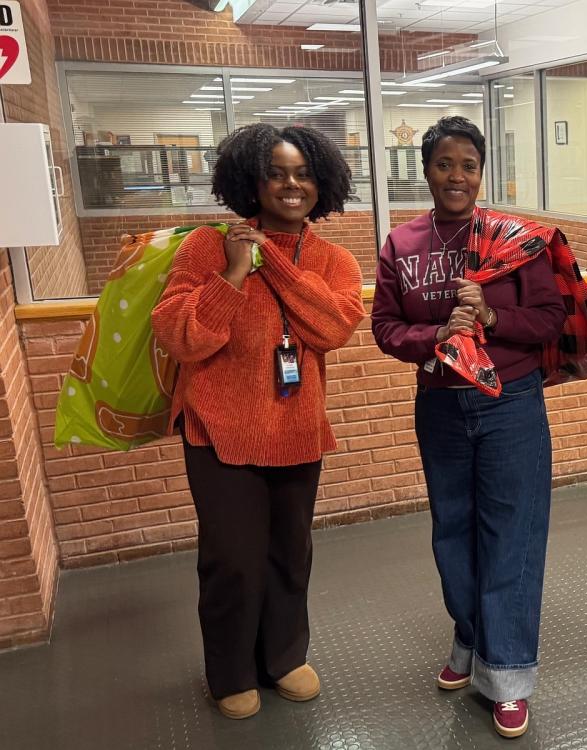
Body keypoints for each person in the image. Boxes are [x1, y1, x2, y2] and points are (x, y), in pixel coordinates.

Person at [151, 123, 365, 719]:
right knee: (233, 561)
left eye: (303, 174)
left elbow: (333, 328)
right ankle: (230, 673)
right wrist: (234, 272)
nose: (291, 185)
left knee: (290, 554)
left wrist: (271, 262)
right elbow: (180, 336)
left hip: (297, 431)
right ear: (251, 180)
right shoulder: (207, 247)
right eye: (276, 173)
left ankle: (283, 657)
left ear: (322, 184)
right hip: (219, 431)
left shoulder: (334, 260)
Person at [370, 116, 566, 739]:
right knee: (452, 533)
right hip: (441, 404)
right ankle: (471, 640)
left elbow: (550, 319)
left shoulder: (515, 239)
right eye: (444, 164)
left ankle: (506, 673)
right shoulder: (401, 245)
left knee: (512, 534)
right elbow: (385, 328)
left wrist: (493, 318)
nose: (456, 176)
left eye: (469, 166)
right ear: (426, 170)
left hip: (510, 402)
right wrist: (437, 334)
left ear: (482, 172)